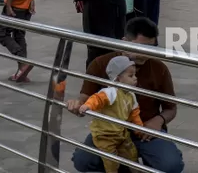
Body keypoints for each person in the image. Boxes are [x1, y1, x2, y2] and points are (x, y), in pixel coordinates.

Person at [68, 18, 184, 173]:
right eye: (140, 47)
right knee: (83, 161)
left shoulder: (159, 68)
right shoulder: (100, 64)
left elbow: (171, 108)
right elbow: (85, 98)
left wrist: (158, 121)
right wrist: (77, 105)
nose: (145, 54)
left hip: (145, 131)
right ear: (124, 42)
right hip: (109, 132)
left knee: (171, 165)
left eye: (150, 49)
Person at [77, 56, 144, 173]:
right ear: (118, 79)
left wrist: (139, 129)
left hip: (121, 133)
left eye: (135, 75)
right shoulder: (111, 92)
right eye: (131, 75)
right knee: (111, 161)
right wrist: (88, 106)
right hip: (105, 135)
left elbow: (135, 114)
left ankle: (135, 170)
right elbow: (97, 99)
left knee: (131, 153)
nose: (135, 78)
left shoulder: (131, 95)